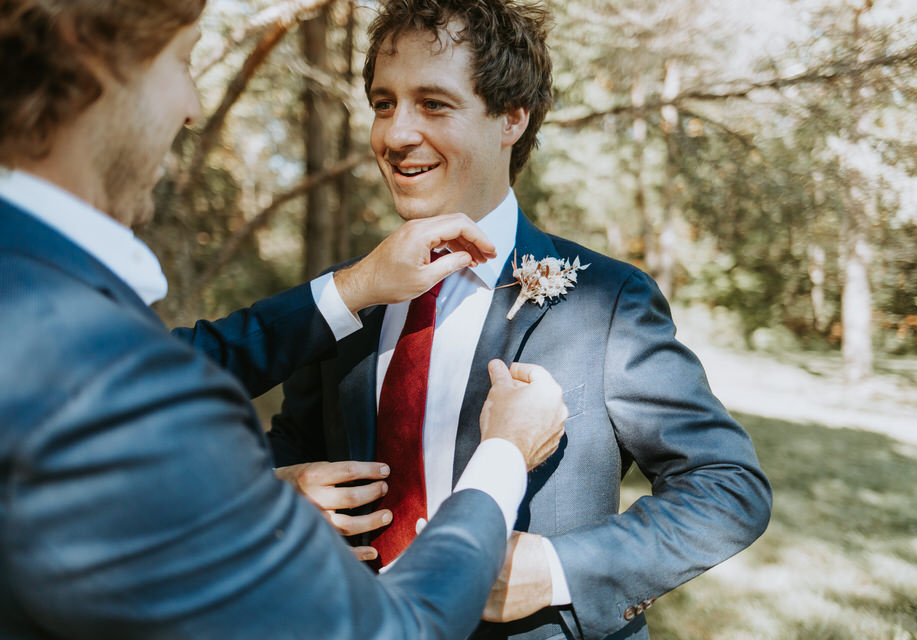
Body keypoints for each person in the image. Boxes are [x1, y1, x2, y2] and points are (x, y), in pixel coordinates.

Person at [0, 1, 568, 637]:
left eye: (433, 103)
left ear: (511, 119)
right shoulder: (99, 365)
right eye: (183, 62)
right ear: (92, 63)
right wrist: (503, 457)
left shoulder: (36, 297)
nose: (192, 107)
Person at [268, 1, 773, 638]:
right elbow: (292, 450)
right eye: (383, 102)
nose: (394, 135)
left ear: (512, 116)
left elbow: (727, 485)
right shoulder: (348, 296)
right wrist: (283, 496)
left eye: (433, 103)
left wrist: (556, 567)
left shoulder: (609, 300)